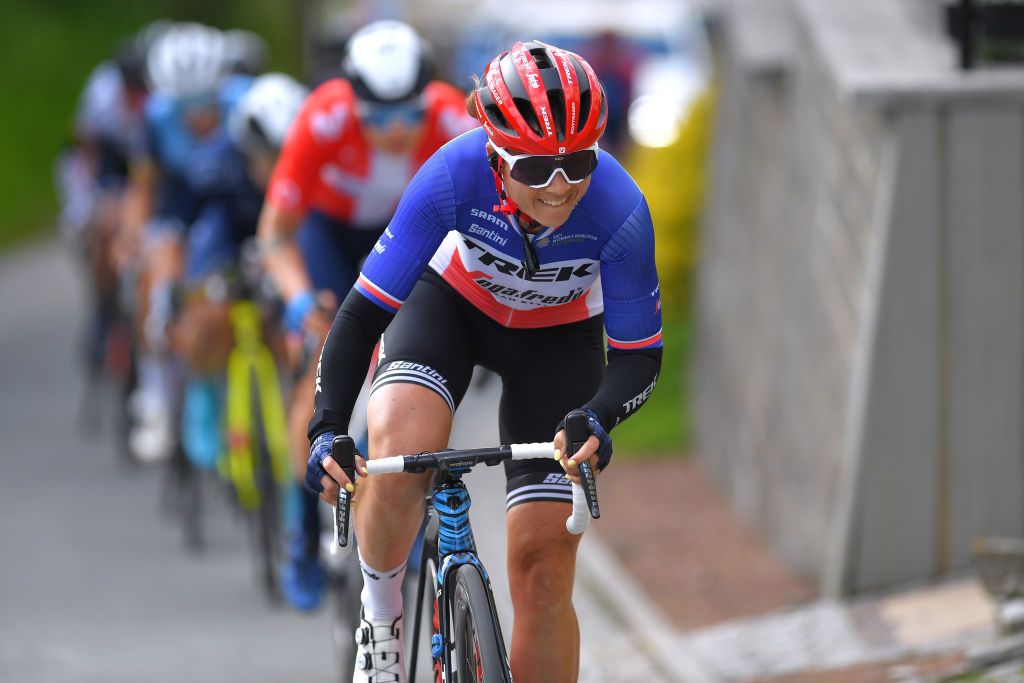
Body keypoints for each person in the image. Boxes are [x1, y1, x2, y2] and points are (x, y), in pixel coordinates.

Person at [306, 40, 663, 683]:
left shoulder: (620, 207)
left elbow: (640, 357)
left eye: (578, 161)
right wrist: (328, 423)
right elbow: (362, 314)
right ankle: (381, 620)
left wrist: (600, 415)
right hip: (451, 312)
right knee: (399, 446)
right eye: (534, 170)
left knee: (543, 565)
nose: (559, 188)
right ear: (496, 153)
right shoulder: (451, 173)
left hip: (557, 343)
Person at [256, 19, 476, 612]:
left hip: (411, 235)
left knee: (412, 362)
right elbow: (275, 235)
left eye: (408, 115)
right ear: (350, 103)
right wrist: (301, 298)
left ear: (428, 98)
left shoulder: (453, 119)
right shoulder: (320, 119)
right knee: (323, 363)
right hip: (334, 237)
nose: (397, 132)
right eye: (377, 119)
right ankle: (302, 537)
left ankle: (405, 490)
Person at [120, 22, 251, 462]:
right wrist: (133, 239)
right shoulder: (155, 119)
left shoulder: (246, 102)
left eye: (206, 102)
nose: (197, 115)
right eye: (185, 106)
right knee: (156, 272)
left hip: (235, 199)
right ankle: (157, 396)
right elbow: (143, 185)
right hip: (181, 203)